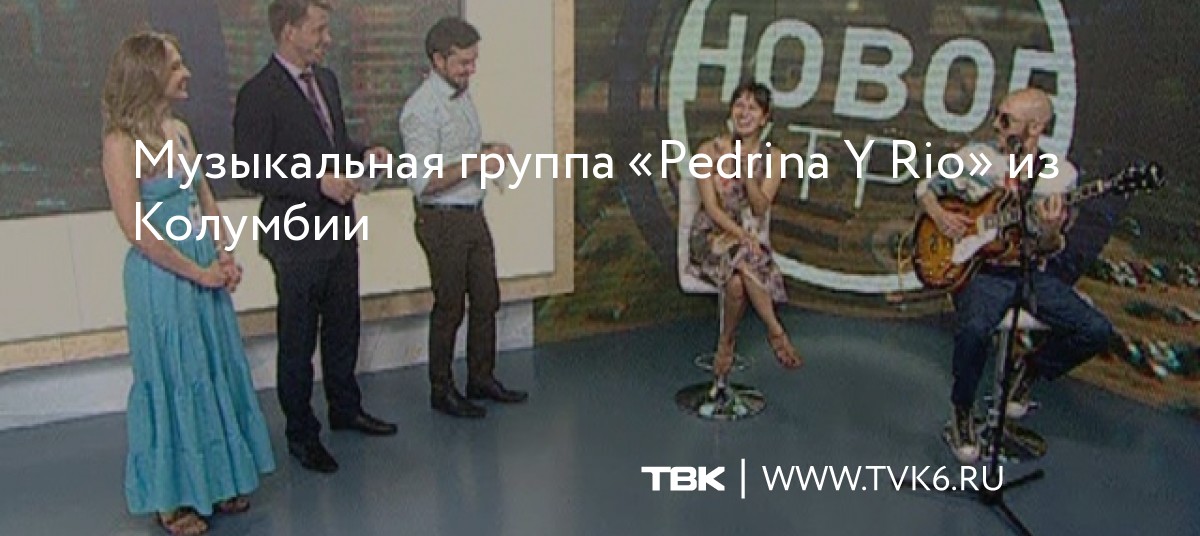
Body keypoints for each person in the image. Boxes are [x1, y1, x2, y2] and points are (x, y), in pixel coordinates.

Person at [102, 31, 275, 535]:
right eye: (176, 66)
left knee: (211, 367)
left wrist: (225, 253)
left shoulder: (179, 132)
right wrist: (198, 272)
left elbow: (204, 197)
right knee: (175, 377)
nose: (186, 74)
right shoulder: (120, 144)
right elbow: (137, 230)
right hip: (162, 277)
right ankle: (173, 499)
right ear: (149, 75)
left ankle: (217, 480)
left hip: (202, 266)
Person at [233, 0, 396, 474]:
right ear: (289, 31)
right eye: (319, 29)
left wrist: (365, 153)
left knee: (344, 325)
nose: (328, 39)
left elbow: (332, 144)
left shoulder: (326, 81)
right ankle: (301, 433)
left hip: (339, 227)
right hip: (295, 236)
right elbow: (249, 169)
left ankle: (346, 408)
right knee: (299, 338)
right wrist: (316, 183)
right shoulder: (258, 93)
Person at [914, 88, 1114, 464]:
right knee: (974, 330)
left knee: (1095, 330)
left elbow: (1051, 246)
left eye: (1005, 120)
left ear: (1035, 128)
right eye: (997, 115)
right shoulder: (975, 157)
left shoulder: (1059, 176)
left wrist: (1050, 229)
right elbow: (926, 190)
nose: (995, 124)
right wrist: (941, 216)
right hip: (983, 273)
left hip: (1029, 271)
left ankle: (1030, 369)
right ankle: (962, 411)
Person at [400, 17, 528, 419]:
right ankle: (442, 390)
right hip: (442, 220)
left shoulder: (461, 93)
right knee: (450, 307)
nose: (471, 70)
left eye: (474, 61)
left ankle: (481, 378)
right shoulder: (421, 111)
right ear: (438, 60)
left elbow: (457, 153)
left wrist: (488, 150)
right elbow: (423, 182)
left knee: (487, 299)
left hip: (472, 212)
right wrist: (477, 162)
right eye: (462, 63)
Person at [686, 80, 804, 378]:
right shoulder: (708, 151)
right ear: (730, 112)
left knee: (737, 283)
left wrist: (746, 172)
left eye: (753, 108)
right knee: (745, 254)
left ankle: (726, 342)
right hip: (712, 236)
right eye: (739, 105)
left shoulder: (774, 158)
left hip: (746, 241)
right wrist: (741, 236)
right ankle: (776, 332)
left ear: (764, 118)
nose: (744, 113)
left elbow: (761, 208)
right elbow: (712, 209)